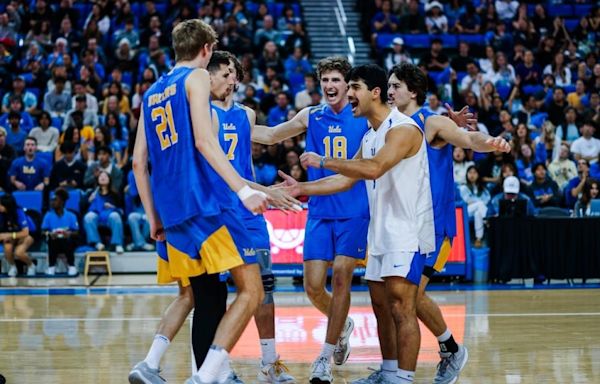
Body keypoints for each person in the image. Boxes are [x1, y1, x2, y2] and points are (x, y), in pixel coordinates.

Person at [128, 19, 269, 384]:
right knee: (252, 290)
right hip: (204, 204)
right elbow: (206, 144)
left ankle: (183, 370)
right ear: (206, 50)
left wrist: (152, 217)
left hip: (171, 213)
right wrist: (244, 190)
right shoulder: (197, 78)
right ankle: (206, 376)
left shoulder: (151, 93)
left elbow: (138, 162)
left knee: (207, 296)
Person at [279, 63, 435, 384]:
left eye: (354, 88)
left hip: (406, 231)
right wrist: (302, 188)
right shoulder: (373, 133)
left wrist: (322, 160)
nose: (349, 94)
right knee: (380, 306)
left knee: (402, 308)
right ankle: (389, 371)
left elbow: (375, 167)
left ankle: (403, 379)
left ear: (374, 93)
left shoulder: (402, 129)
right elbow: (344, 179)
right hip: (380, 231)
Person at [375, 62, 510, 384]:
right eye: (389, 86)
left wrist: (491, 141)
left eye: (396, 86)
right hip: (401, 226)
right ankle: (444, 350)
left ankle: (431, 359)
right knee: (400, 300)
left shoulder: (431, 121)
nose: (390, 91)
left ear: (414, 91)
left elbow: (467, 137)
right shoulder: (389, 126)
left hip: (433, 227)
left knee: (408, 298)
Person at [252, 57, 370, 382]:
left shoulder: (363, 114)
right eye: (325, 81)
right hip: (320, 211)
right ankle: (342, 323)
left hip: (354, 211)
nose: (330, 86)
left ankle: (324, 358)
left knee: (343, 278)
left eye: (336, 80)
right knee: (313, 287)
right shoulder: (311, 115)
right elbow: (273, 134)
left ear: (348, 83)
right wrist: (226, 121)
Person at [210, 50, 298, 383]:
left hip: (248, 212)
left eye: (234, 71)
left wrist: (309, 115)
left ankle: (269, 362)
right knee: (216, 293)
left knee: (265, 287)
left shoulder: (246, 114)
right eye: (227, 71)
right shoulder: (200, 114)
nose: (232, 77)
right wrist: (266, 190)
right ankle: (218, 366)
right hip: (216, 210)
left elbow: (273, 135)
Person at [83, 171, 125, 253]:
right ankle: (97, 243)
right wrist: (88, 200)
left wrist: (112, 207)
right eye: (101, 176)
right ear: (97, 180)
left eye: (105, 176)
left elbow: (121, 210)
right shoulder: (91, 193)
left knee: (115, 216)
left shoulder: (115, 194)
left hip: (109, 216)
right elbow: (82, 207)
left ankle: (117, 244)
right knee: (89, 217)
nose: (103, 177)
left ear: (109, 180)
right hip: (97, 215)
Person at [42, 188, 79, 276]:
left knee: (68, 240)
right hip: (54, 241)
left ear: (62, 202)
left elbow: (77, 232)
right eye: (51, 200)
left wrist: (69, 233)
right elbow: (43, 231)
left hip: (67, 241)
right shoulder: (48, 215)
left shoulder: (71, 216)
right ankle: (51, 267)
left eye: (55, 200)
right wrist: (49, 233)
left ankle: (71, 266)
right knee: (51, 240)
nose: (52, 202)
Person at [0, 194, 35, 277]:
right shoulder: (1, 214)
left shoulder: (19, 212)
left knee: (19, 253)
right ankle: (13, 266)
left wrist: (9, 235)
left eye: (1, 205)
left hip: (27, 235)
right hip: (12, 235)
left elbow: (25, 233)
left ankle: (31, 265)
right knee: (7, 248)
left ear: (7, 206)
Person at [460, 166, 491, 247]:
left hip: (478, 210)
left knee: (478, 213)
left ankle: (478, 239)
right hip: (466, 211)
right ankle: (486, 220)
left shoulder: (483, 188)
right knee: (480, 204)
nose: (472, 175)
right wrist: (479, 201)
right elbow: (468, 201)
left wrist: (478, 202)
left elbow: (487, 199)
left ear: (478, 175)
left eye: (474, 173)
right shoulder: (463, 187)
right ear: (466, 174)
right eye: (470, 173)